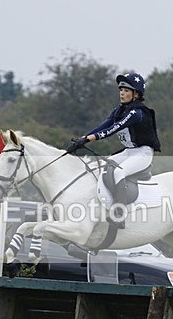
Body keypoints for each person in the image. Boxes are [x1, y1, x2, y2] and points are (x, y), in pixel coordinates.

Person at [66, 72, 161, 221]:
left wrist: (89, 139)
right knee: (100, 165)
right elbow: (104, 125)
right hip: (129, 152)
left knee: (118, 173)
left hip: (143, 154)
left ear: (136, 94)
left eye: (126, 91)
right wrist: (82, 138)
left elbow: (113, 129)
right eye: (121, 90)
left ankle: (120, 213)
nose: (122, 93)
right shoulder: (120, 110)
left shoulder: (137, 113)